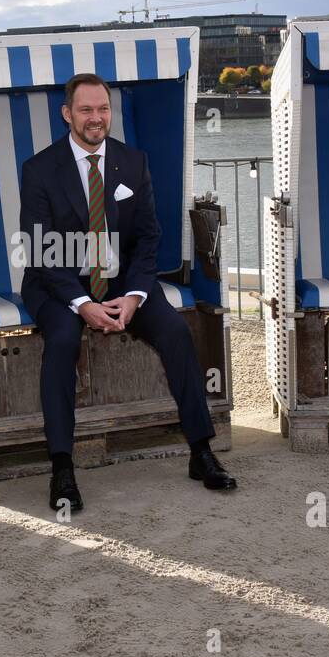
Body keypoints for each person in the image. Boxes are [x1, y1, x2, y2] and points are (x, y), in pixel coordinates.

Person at [18, 73, 236, 513]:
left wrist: (136, 295)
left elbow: (147, 239)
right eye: (86, 110)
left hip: (122, 282)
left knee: (175, 331)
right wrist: (83, 305)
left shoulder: (133, 162)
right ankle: (62, 466)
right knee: (61, 340)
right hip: (58, 283)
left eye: (103, 109)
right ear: (67, 114)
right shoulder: (40, 169)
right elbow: (41, 250)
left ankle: (201, 451)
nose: (96, 118)